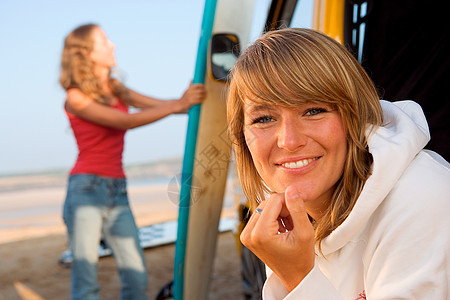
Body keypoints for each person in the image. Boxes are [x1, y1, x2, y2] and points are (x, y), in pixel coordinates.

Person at [227, 28, 450, 299]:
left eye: (313, 111)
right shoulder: (285, 220)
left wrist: (299, 278)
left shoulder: (423, 197)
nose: (288, 140)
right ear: (243, 138)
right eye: (263, 118)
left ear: (354, 117)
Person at [59, 23, 206, 300]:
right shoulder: (75, 97)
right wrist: (177, 105)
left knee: (137, 277)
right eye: (104, 41)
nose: (112, 45)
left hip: (117, 190)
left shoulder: (116, 88)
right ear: (86, 53)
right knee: (86, 282)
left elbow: (163, 105)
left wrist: (184, 102)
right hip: (86, 190)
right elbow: (125, 121)